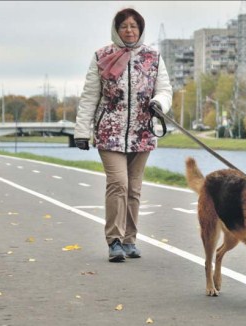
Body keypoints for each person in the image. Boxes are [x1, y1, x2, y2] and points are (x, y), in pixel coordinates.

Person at [74, 8, 172, 262]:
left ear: (140, 30)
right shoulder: (101, 56)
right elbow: (89, 97)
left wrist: (159, 103)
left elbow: (165, 89)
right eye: (124, 26)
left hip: (142, 131)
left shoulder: (153, 57)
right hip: (110, 132)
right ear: (116, 29)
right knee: (119, 184)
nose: (129, 30)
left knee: (134, 189)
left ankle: (130, 240)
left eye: (134, 26)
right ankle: (114, 241)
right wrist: (82, 131)